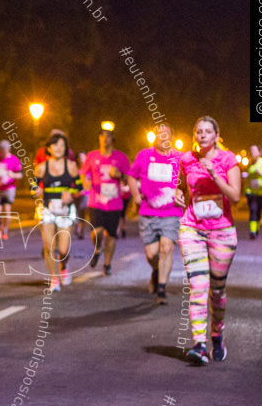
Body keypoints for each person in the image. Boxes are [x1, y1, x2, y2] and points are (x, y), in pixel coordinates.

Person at [177, 116, 241, 365]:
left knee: (216, 289)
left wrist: (215, 174)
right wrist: (179, 192)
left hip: (222, 231)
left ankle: (217, 335)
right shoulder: (187, 159)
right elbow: (183, 185)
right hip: (192, 228)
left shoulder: (228, 160)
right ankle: (199, 345)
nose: (202, 135)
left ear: (216, 135)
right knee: (198, 286)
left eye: (207, 132)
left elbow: (235, 196)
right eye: (198, 131)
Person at [128, 123, 182, 305]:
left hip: (171, 212)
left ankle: (162, 288)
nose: (163, 138)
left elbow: (188, 181)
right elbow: (131, 176)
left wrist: (185, 195)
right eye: (159, 134)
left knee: (166, 247)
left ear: (171, 137)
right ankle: (157, 270)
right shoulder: (144, 155)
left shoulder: (179, 158)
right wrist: (135, 194)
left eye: (166, 134)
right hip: (148, 212)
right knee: (151, 254)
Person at [34, 133, 81, 291]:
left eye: (62, 145)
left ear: (66, 148)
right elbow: (33, 186)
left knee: (63, 249)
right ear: (49, 148)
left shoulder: (71, 166)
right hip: (48, 209)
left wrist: (71, 194)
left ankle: (64, 267)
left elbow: (80, 188)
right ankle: (54, 279)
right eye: (55, 145)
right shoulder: (41, 168)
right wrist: (37, 191)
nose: (59, 148)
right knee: (48, 245)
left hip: (65, 211)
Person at [81, 128, 130, 275]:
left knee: (111, 235)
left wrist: (120, 175)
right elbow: (83, 173)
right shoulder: (92, 156)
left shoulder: (121, 157)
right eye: (102, 136)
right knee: (97, 231)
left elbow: (128, 178)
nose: (104, 139)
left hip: (114, 202)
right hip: (96, 200)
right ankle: (97, 249)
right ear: (99, 138)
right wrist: (86, 183)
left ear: (112, 139)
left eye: (108, 136)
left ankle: (107, 265)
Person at [0, 140, 23, 240]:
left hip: (9, 188)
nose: (2, 152)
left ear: (8, 149)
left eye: (4, 150)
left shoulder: (14, 159)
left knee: (7, 213)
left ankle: (5, 230)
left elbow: (20, 175)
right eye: (1, 150)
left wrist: (12, 174)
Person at [244, 145, 262, 239]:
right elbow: (245, 174)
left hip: (261, 192)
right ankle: (252, 232)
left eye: (254, 151)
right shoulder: (249, 162)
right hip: (250, 191)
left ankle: (256, 231)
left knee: (258, 212)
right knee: (253, 210)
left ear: (259, 152)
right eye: (251, 151)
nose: (252, 153)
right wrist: (245, 175)